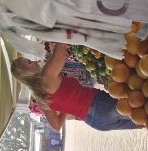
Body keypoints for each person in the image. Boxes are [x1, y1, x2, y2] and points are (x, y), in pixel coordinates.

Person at [11, 43, 139, 132]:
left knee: (144, 120)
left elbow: (57, 126)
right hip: (101, 105)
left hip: (95, 121)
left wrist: (66, 107)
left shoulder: (40, 100)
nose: (34, 61)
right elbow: (61, 48)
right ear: (26, 73)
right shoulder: (46, 77)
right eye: (29, 62)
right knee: (143, 107)